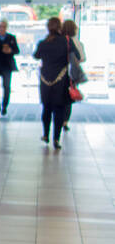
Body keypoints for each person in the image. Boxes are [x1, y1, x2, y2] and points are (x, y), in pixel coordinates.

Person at [33, 16, 70, 149]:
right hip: (60, 80)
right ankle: (56, 139)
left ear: (48, 28)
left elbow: (36, 55)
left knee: (46, 108)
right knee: (59, 109)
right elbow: (74, 56)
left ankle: (45, 134)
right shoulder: (65, 42)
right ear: (59, 27)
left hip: (45, 80)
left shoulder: (43, 43)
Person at [61, 18, 85, 131]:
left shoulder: (57, 39)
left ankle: (59, 119)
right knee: (68, 98)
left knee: (59, 97)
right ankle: (65, 121)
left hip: (59, 73)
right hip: (71, 74)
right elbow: (81, 57)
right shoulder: (75, 41)